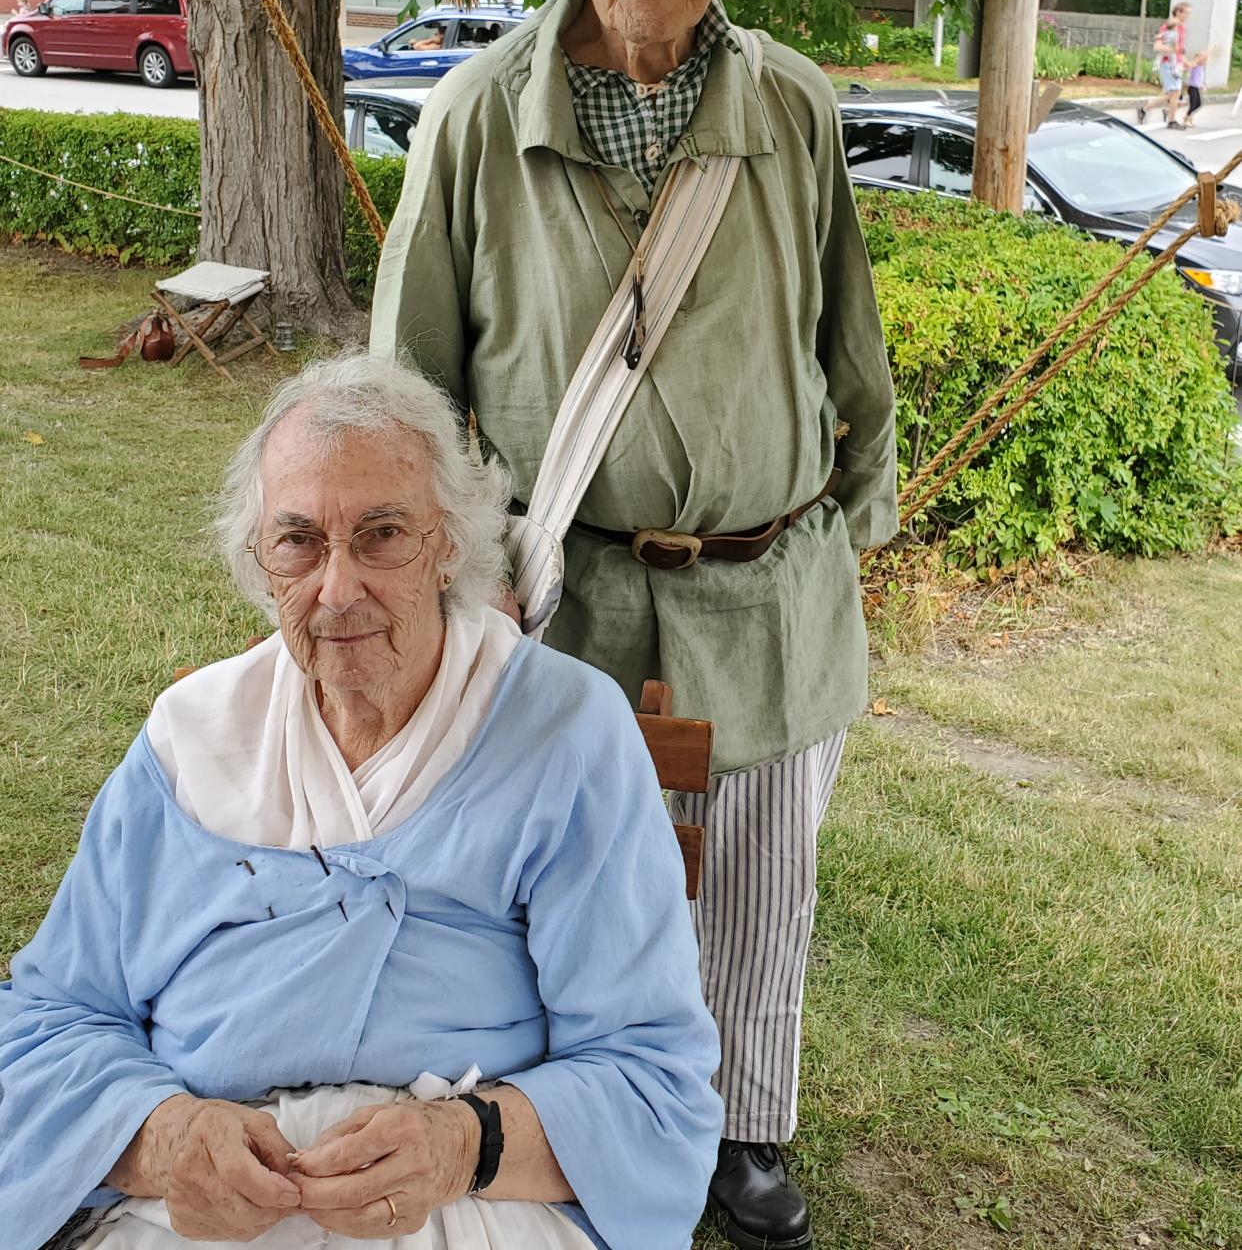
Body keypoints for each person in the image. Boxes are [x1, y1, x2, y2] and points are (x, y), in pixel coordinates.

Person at [371, 0, 899, 1250]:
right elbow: (410, 393)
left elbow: (843, 343)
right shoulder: (476, 121)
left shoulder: (791, 108)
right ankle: (582, 1118)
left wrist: (849, 533)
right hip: (568, 596)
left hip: (767, 585)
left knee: (755, 886)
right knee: (570, 889)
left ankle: (743, 1130)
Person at [0, 353, 722, 1250]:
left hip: (470, 1208)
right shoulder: (192, 740)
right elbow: (50, 1019)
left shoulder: (566, 735)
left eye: (382, 534)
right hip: (194, 1213)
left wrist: (465, 1143)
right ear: (258, 559)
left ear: (451, 542)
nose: (337, 590)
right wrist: (163, 1139)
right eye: (298, 540)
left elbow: (651, 1072)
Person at [1138, 0, 1191, 129]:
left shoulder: (1182, 28)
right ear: (1178, 12)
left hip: (1175, 64)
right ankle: (1171, 120)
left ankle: (1144, 109)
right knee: (1175, 92)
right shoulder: (1167, 27)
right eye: (1186, 13)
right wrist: (1173, 51)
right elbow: (1158, 46)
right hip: (1167, 63)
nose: (1188, 17)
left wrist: (1184, 62)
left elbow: (1179, 49)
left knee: (1172, 94)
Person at [1178, 46, 1210, 127]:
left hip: (1196, 88)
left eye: (1205, 59)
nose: (1205, 61)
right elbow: (1189, 65)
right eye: (1204, 59)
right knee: (1193, 104)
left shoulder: (1201, 67)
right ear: (1199, 59)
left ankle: (1188, 117)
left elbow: (1198, 80)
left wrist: (1202, 85)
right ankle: (1186, 119)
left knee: (1198, 104)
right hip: (1192, 88)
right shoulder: (1195, 65)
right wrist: (1182, 58)